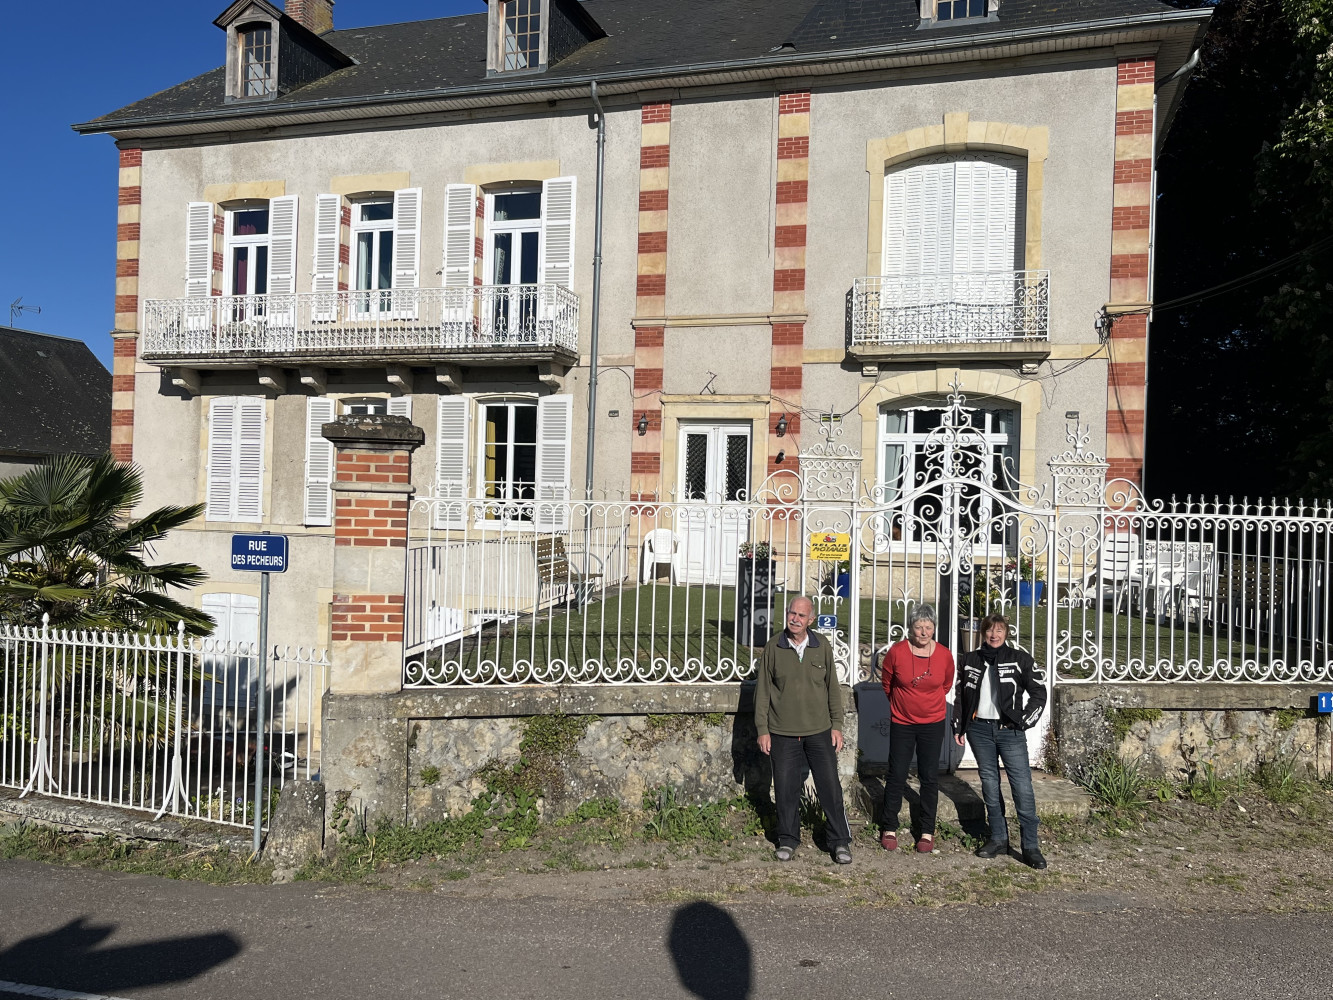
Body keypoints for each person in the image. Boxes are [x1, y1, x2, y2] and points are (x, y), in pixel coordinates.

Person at [754, 595, 853, 864]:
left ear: (811, 620)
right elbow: (762, 692)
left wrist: (837, 725)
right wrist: (763, 729)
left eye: (801, 615)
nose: (795, 619)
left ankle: (840, 841)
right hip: (782, 732)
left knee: (829, 787)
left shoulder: (822, 646)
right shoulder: (774, 646)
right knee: (786, 788)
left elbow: (833, 688)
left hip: (819, 730)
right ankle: (787, 839)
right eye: (791, 613)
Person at [953, 612, 1049, 869]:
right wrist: (959, 725)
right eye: (989, 630)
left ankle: (1030, 845)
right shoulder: (970, 659)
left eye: (999, 631)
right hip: (979, 731)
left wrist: (1024, 720)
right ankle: (998, 838)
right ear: (982, 633)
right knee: (990, 784)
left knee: (1022, 787)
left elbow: (1039, 693)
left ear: (1006, 633)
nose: (994, 635)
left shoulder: (1019, 659)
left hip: (1010, 732)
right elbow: (961, 694)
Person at [878, 603, 955, 854]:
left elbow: (945, 684)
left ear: (934, 628)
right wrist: (903, 705)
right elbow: (887, 683)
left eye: (928, 627)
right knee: (897, 774)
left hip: (932, 723)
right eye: (918, 627)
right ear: (910, 628)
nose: (923, 632)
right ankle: (889, 826)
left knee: (929, 777)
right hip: (903, 722)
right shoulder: (897, 652)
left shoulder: (944, 654)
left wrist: (924, 704)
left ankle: (926, 830)